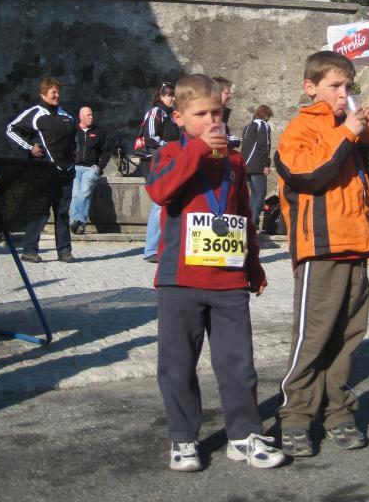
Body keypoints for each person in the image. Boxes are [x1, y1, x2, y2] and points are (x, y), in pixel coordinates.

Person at [145, 74, 285, 472]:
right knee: (177, 364)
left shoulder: (236, 162)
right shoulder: (171, 153)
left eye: (217, 113)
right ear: (179, 117)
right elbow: (160, 191)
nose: (211, 121)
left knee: (238, 363)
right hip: (179, 280)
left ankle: (243, 434)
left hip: (227, 280)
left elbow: (243, 215)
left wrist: (253, 265)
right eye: (201, 114)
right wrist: (197, 152)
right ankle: (183, 438)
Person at [274, 51, 369, 457]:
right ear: (311, 88)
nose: (344, 95)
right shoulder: (300, 128)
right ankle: (294, 418)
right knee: (313, 339)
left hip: (357, 245)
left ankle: (338, 411)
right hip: (320, 248)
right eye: (335, 86)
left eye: (348, 87)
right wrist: (346, 134)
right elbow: (308, 173)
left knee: (347, 338)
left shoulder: (350, 127)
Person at [6, 77, 76, 263]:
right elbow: (11, 129)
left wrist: (74, 155)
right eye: (53, 92)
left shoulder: (67, 115)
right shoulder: (35, 113)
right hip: (44, 171)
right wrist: (29, 147)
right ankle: (29, 249)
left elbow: (73, 139)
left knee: (62, 212)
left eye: (58, 92)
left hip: (66, 171)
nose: (57, 95)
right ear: (43, 94)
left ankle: (64, 250)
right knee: (40, 211)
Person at [143, 83, 179, 263]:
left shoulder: (170, 115)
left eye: (174, 95)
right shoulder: (156, 112)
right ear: (161, 96)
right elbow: (151, 137)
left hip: (170, 161)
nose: (173, 98)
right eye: (170, 95)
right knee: (158, 204)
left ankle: (163, 246)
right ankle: (151, 248)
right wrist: (172, 148)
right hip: (160, 161)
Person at [69, 107, 110, 236]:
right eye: (88, 115)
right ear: (81, 117)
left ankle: (76, 220)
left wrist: (99, 166)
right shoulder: (73, 131)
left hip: (90, 168)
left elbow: (106, 151)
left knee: (85, 192)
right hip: (74, 167)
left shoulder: (99, 132)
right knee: (75, 194)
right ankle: (79, 224)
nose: (91, 117)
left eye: (92, 115)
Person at [241, 105, 273, 230]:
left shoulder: (248, 126)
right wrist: (266, 164)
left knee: (253, 194)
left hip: (246, 165)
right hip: (257, 166)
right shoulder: (262, 125)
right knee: (260, 194)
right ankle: (252, 224)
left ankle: (248, 223)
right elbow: (263, 146)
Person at [213, 76, 240, 149]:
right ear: (217, 93)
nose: (230, 96)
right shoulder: (208, 115)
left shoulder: (223, 113)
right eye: (227, 93)